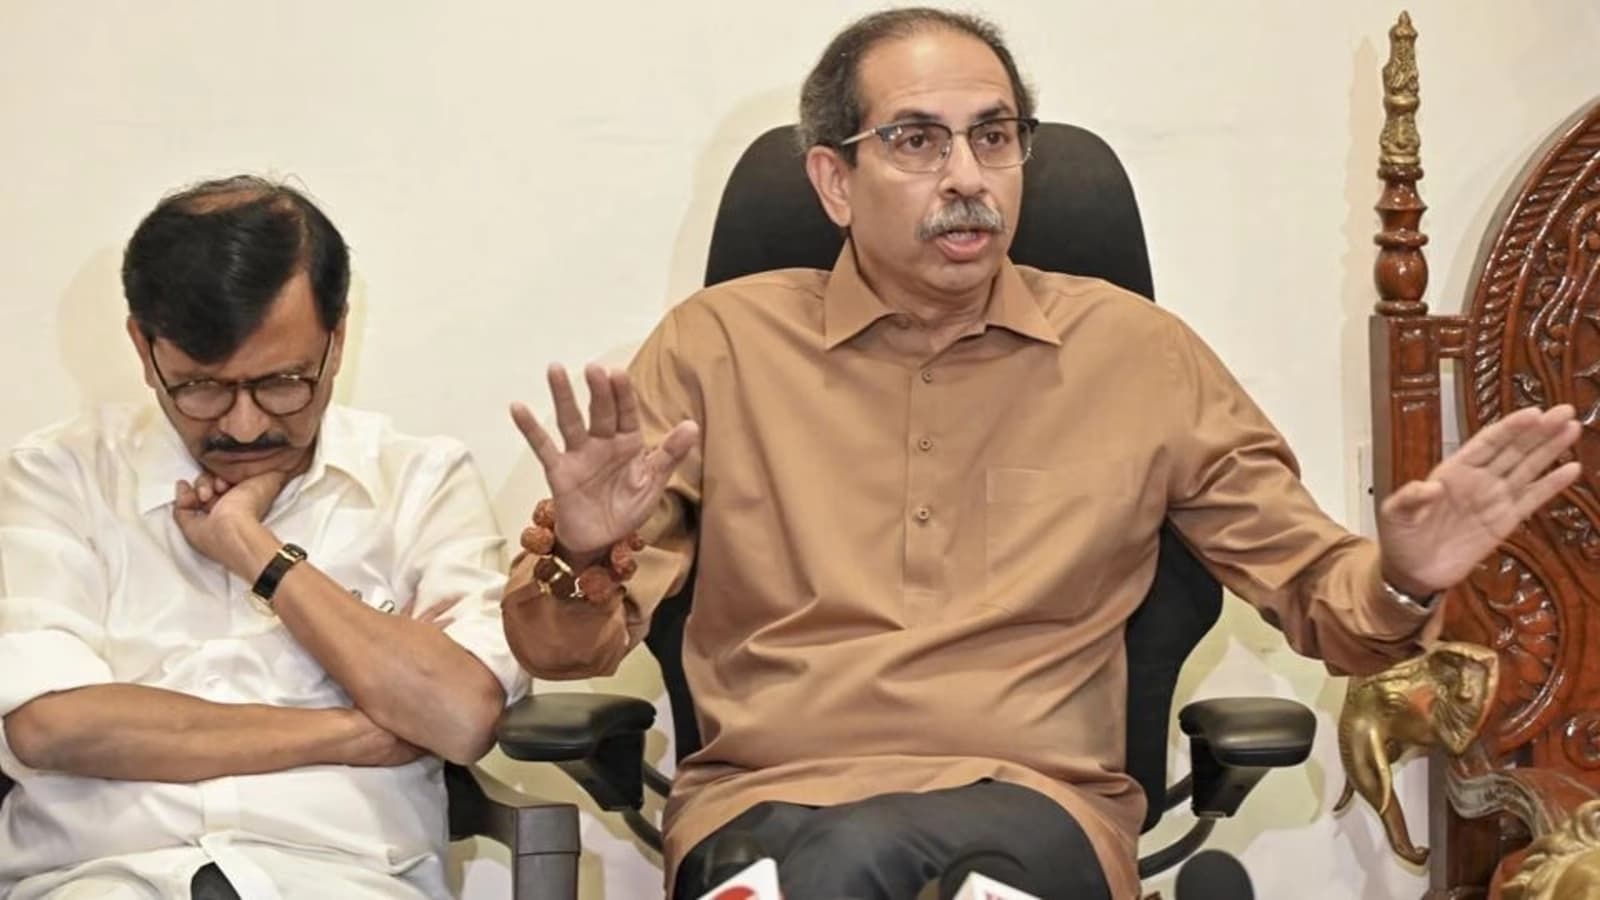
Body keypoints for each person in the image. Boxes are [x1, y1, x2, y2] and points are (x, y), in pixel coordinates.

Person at [501, 9, 1581, 900]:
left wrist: (1399, 572)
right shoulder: (717, 346)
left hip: (1037, 806)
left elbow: (1318, 593)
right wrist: (579, 560)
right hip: (773, 798)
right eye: (917, 140)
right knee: (828, 860)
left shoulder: (1137, 356)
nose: (967, 174)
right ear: (833, 181)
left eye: (995, 135)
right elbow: (563, 652)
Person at [0, 176, 525, 900]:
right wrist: (350, 731)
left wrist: (257, 553)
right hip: (102, 881)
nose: (245, 427)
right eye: (201, 387)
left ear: (337, 340)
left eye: (283, 382)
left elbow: (459, 717)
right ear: (141, 347)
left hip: (350, 881)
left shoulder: (419, 481)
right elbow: (53, 727)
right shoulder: (60, 478)